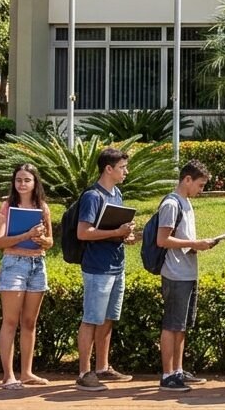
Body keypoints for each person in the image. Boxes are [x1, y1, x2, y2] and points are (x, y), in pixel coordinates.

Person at [75, 147, 137, 392]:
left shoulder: (117, 193)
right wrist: (116, 232)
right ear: (108, 169)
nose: (126, 171)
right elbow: (83, 232)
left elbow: (112, 229)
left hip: (116, 264)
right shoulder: (93, 196)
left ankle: (102, 367)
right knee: (91, 319)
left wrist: (125, 235)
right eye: (122, 167)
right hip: (97, 268)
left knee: (108, 318)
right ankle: (84, 372)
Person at [155, 161, 214, 392]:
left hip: (187, 271)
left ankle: (178, 370)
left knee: (181, 325)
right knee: (172, 324)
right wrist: (194, 244)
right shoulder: (171, 203)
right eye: (199, 185)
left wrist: (198, 245)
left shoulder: (185, 202)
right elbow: (162, 240)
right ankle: (168, 374)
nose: (201, 190)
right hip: (175, 272)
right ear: (187, 179)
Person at [0, 163, 52, 390]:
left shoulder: (43, 207)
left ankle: (27, 372)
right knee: (10, 321)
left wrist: (41, 240)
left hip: (38, 263)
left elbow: (50, 242)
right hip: (14, 264)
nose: (22, 184)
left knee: (30, 322)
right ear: (14, 182)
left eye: (27, 180)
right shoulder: (7, 207)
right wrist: (26, 234)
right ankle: (8, 375)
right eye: (19, 180)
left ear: (35, 182)